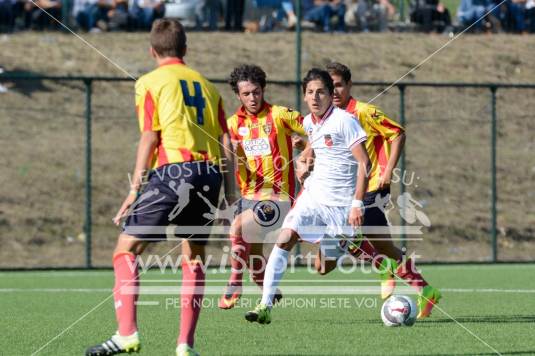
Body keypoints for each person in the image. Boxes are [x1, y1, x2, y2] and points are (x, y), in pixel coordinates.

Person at [85, 19, 234, 356]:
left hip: (174, 172)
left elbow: (150, 137)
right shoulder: (209, 87)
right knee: (193, 257)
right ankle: (185, 346)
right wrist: (231, 196)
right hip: (209, 174)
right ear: (185, 49)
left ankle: (126, 334)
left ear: (152, 50)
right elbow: (226, 142)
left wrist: (135, 189)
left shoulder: (150, 82)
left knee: (126, 249)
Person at [244, 68, 380, 324]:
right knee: (284, 238)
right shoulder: (308, 123)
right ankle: (264, 305)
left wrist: (357, 204)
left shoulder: (344, 120)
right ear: (304, 96)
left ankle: (344, 240)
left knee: (321, 268)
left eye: (321, 92)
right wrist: (304, 162)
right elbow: (313, 150)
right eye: (310, 92)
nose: (315, 97)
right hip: (313, 198)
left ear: (330, 95)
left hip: (341, 207)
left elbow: (365, 163)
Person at [323, 62, 441, 319]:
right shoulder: (327, 119)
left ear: (349, 85)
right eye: (329, 87)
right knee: (376, 247)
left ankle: (387, 268)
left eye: (339, 85)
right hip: (346, 190)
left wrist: (387, 173)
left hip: (373, 186)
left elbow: (397, 133)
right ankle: (424, 288)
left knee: (351, 239)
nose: (334, 91)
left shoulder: (363, 111)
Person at [218, 64, 305, 309]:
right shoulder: (232, 125)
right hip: (248, 199)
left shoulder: (280, 115)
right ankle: (269, 290)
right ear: (238, 95)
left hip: (278, 199)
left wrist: (305, 145)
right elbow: (222, 160)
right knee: (254, 258)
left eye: (256, 92)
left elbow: (319, 131)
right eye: (246, 94)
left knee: (237, 228)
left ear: (263, 89)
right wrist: (228, 152)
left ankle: (234, 284)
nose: (252, 98)